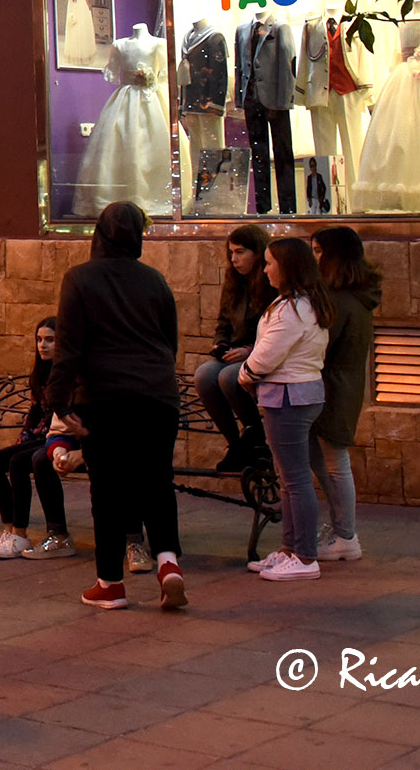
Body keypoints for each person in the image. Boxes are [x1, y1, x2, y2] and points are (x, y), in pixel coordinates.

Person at [47, 203, 187, 612]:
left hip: (105, 398)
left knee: (107, 489)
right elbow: (170, 342)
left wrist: (59, 401)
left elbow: (68, 348)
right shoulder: (154, 280)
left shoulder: (80, 279)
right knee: (157, 481)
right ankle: (168, 563)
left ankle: (110, 584)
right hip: (158, 396)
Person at [239, 236, 335, 582]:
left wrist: (245, 374)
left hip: (289, 396)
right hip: (292, 394)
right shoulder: (296, 304)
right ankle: (291, 548)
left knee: (295, 479)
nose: (264, 270)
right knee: (288, 478)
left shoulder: (294, 309)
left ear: (287, 266)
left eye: (269, 263)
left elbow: (267, 354)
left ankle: (305, 556)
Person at [0, 317, 76, 561]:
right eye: (39, 339)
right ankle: (10, 531)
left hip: (61, 438)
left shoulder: (68, 374)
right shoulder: (40, 375)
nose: (43, 345)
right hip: (39, 438)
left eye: (50, 340)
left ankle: (23, 534)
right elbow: (33, 417)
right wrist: (22, 440)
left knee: (22, 462)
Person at [312, 227, 381, 564]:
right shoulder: (357, 297)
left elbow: (320, 348)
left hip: (333, 390)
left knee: (334, 463)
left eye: (317, 251)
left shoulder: (339, 302)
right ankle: (342, 530)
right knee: (328, 462)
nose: (313, 258)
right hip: (341, 387)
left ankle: (345, 534)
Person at [194, 226, 275, 467]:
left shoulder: (271, 283)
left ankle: (258, 440)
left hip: (261, 353)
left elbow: (275, 332)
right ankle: (236, 444)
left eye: (240, 252)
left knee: (230, 377)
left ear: (257, 253)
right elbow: (223, 323)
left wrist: (249, 350)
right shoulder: (234, 282)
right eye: (231, 253)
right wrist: (220, 343)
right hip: (235, 351)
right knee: (204, 375)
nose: (234, 259)